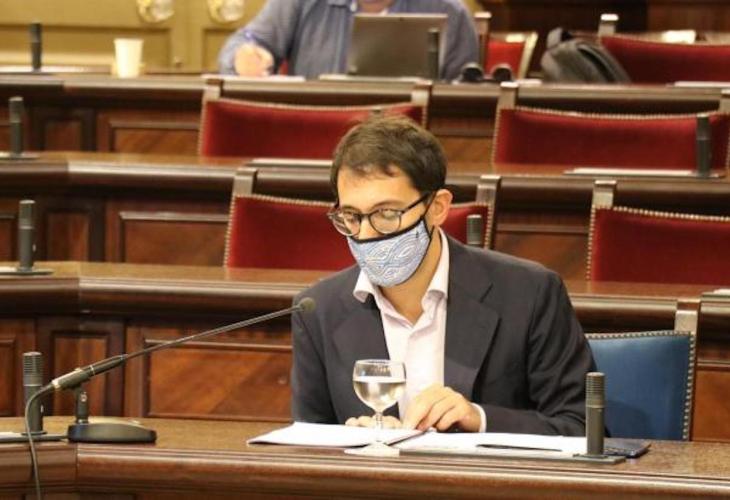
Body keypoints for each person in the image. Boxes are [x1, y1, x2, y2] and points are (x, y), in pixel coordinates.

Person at [290, 115, 595, 435]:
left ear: (437, 207)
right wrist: (351, 442)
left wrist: (480, 419)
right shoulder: (318, 310)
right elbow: (307, 441)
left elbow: (583, 427)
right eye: (351, 216)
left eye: (386, 213)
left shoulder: (529, 294)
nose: (365, 234)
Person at [218, 0, 479, 81]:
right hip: (317, 140)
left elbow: (464, 104)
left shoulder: (451, 12)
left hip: (412, 157)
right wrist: (244, 56)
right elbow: (247, 40)